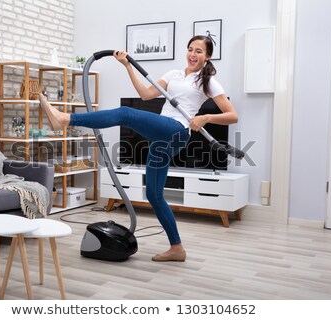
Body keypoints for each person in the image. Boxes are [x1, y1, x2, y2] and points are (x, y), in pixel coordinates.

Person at [39, 35, 238, 262]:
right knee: (154, 194)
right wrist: (127, 67)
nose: (193, 54)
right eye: (190, 49)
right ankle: (177, 248)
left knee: (125, 114)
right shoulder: (173, 75)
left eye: (199, 51)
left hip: (177, 131)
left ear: (207, 56)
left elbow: (233, 115)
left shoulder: (209, 81)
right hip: (162, 136)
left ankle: (65, 119)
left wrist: (205, 117)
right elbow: (145, 95)